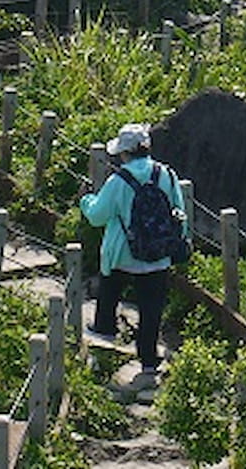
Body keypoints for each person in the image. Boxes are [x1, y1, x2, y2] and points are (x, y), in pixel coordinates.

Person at [79, 123, 189, 384]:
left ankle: (104, 338)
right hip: (158, 256)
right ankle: (149, 362)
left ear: (124, 153)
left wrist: (85, 200)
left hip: (122, 254)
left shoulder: (118, 180)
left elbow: (97, 216)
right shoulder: (167, 175)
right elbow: (180, 214)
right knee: (152, 308)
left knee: (109, 295)